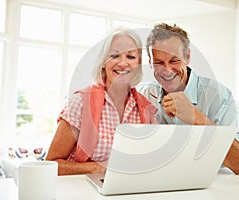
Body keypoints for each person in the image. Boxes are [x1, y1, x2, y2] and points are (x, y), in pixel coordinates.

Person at [137, 23, 239, 175]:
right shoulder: (144, 94)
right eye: (159, 62)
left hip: (212, 183)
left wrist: (197, 117)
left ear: (187, 57)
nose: (167, 70)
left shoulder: (218, 95)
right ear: (151, 63)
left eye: (174, 60)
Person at [46, 27, 158, 175]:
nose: (123, 63)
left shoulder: (147, 108)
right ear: (103, 61)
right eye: (115, 55)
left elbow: (153, 161)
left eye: (131, 57)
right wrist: (96, 168)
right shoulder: (80, 102)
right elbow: (51, 165)